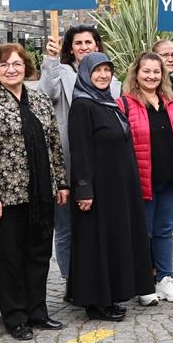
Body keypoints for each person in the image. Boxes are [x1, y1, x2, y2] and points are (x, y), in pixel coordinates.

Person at [0, 44, 69, 340]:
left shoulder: (40, 100)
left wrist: (61, 182)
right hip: (6, 198)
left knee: (38, 254)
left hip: (41, 192)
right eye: (4, 65)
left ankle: (38, 311)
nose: (11, 69)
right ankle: (15, 316)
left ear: (26, 67)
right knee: (9, 259)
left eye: (16, 64)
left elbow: (54, 145)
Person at [66, 53, 152, 320]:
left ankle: (110, 296)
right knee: (96, 243)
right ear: (85, 74)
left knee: (112, 241)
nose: (103, 75)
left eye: (107, 70)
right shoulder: (82, 105)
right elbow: (80, 150)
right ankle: (96, 303)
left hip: (118, 187)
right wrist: (84, 189)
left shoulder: (108, 102)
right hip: (97, 188)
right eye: (97, 71)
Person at [119, 52, 173, 303]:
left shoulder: (172, 102)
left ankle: (164, 279)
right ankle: (143, 283)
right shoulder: (125, 104)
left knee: (164, 231)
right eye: (146, 71)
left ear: (163, 75)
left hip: (170, 177)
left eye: (156, 71)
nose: (151, 76)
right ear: (136, 73)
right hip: (142, 181)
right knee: (144, 233)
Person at [41, 22, 114, 281]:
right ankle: (70, 279)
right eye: (78, 43)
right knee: (66, 226)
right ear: (70, 49)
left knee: (97, 222)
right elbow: (44, 95)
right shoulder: (60, 72)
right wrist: (50, 61)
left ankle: (97, 276)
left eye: (88, 42)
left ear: (97, 45)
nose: (84, 47)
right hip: (68, 159)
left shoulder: (109, 77)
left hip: (102, 162)